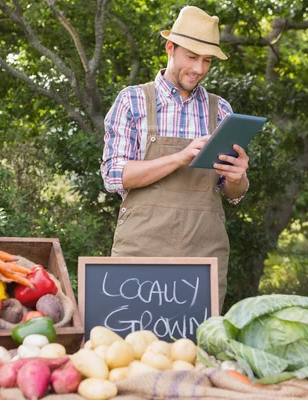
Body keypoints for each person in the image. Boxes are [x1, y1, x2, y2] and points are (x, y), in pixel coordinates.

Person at [100, 6, 250, 312]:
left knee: (197, 349)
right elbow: (115, 175)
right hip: (141, 249)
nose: (199, 68)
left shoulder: (221, 111)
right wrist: (181, 157)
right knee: (132, 348)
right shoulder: (132, 100)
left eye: (206, 60)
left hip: (203, 252)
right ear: (170, 48)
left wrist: (239, 177)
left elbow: (231, 193)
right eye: (191, 57)